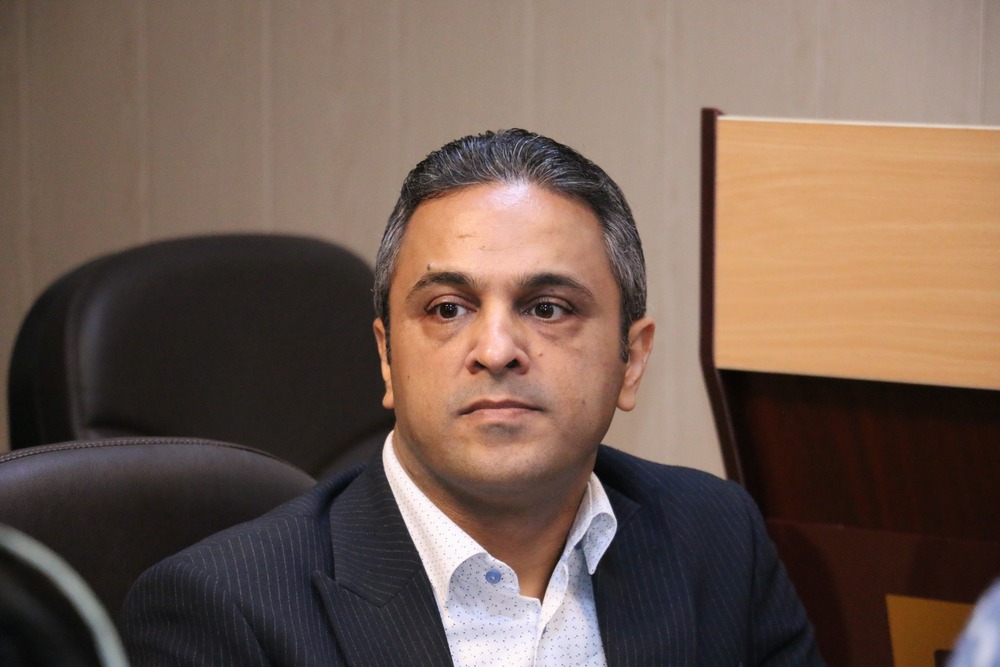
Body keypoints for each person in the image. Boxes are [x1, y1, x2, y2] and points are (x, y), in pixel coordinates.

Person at [117, 129, 822, 665]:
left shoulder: (716, 537)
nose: (496, 349)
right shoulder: (223, 612)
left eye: (548, 308)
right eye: (448, 308)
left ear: (631, 360)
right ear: (387, 357)